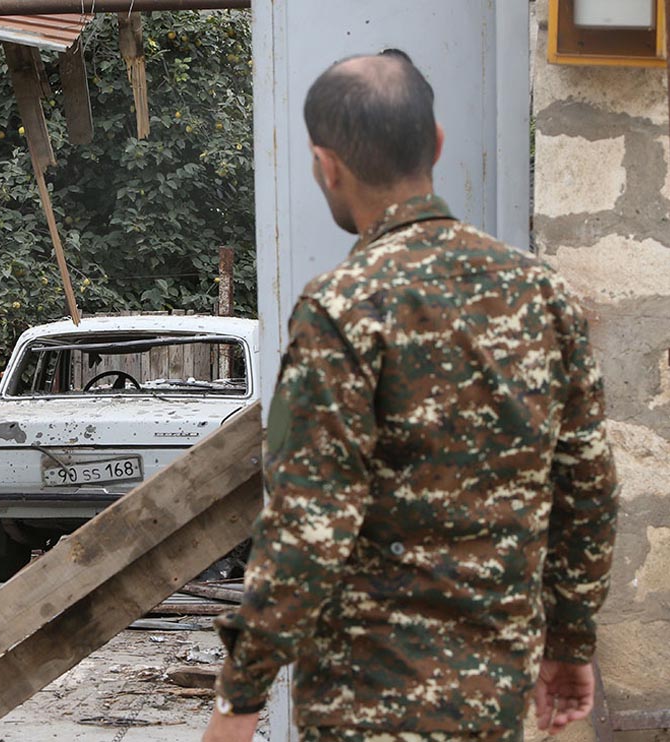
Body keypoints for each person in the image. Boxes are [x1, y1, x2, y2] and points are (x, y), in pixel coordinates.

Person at [202, 50, 619, 742]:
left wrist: (237, 704)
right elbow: (588, 488)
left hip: (367, 704)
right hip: (495, 697)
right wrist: (570, 641)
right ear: (438, 144)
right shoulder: (542, 293)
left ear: (326, 165)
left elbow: (309, 523)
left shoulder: (343, 307)